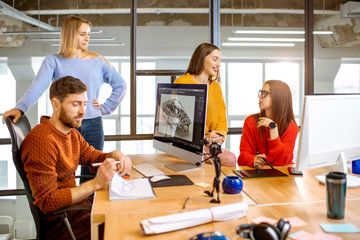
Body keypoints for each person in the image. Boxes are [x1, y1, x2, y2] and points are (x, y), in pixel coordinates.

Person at [3, 15, 127, 182]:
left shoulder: (98, 60)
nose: (87, 38)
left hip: (93, 125)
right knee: (63, 175)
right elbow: (37, 87)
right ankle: (70, 206)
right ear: (69, 34)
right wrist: (21, 108)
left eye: (88, 34)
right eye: (82, 34)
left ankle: (89, 208)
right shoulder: (53, 61)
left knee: (92, 175)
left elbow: (121, 86)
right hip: (65, 125)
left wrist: (105, 108)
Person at [20, 76, 132, 240]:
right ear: (55, 104)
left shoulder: (71, 133)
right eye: (75, 104)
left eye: (84, 104)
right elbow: (47, 201)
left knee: (128, 212)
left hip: (78, 210)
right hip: (62, 224)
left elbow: (91, 156)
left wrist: (113, 155)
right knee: (127, 227)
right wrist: (96, 184)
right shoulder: (42, 140)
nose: (83, 111)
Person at [174, 42, 236, 166]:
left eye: (220, 60)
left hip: (208, 144)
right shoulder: (182, 82)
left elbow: (222, 121)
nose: (218, 64)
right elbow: (178, 121)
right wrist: (206, 135)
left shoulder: (216, 87)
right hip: (188, 144)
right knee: (230, 159)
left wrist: (218, 136)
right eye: (215, 59)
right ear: (202, 58)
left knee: (231, 158)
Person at [238, 80, 299, 168]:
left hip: (284, 175)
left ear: (278, 98)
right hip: (258, 174)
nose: (260, 96)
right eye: (261, 92)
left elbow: (281, 161)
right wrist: (253, 160)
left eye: (264, 93)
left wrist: (273, 129)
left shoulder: (291, 127)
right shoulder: (250, 121)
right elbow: (242, 157)